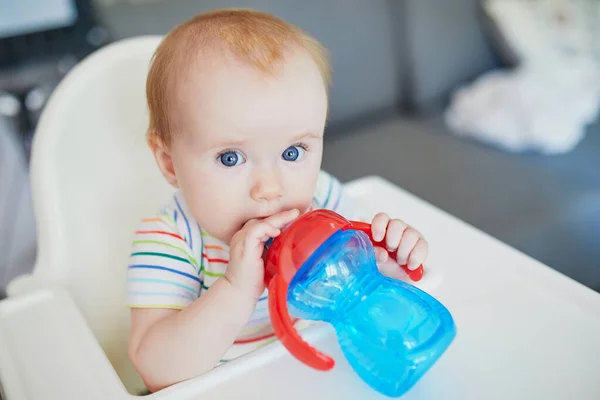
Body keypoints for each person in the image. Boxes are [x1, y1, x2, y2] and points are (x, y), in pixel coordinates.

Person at [126, 8, 429, 392]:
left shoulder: (325, 201)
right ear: (170, 163)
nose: (270, 189)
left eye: (292, 152)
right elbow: (156, 369)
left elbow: (356, 304)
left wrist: (389, 268)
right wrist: (236, 290)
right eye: (230, 158)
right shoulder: (171, 240)